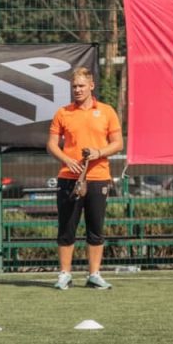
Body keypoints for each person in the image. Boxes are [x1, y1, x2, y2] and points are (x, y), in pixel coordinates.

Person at [46, 67, 124, 290]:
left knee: (96, 228)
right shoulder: (63, 112)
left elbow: (118, 143)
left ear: (91, 86)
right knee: (66, 227)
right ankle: (64, 274)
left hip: (99, 177)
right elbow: (51, 144)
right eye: (74, 87)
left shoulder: (107, 111)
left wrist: (99, 152)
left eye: (81, 86)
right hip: (69, 178)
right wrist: (67, 160)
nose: (77, 90)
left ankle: (94, 274)